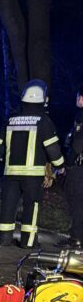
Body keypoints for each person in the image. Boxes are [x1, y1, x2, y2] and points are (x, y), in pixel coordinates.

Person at [0, 79, 63, 248]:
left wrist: (5, 160)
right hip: (33, 176)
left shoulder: (11, 119)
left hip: (11, 173)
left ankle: (4, 240)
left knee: (8, 206)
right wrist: (60, 166)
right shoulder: (44, 122)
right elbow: (53, 150)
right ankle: (29, 242)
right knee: (31, 207)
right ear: (43, 100)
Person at [63, 87, 83, 248]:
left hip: (78, 167)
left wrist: (68, 163)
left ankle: (76, 237)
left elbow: (77, 145)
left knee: (76, 202)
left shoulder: (81, 116)